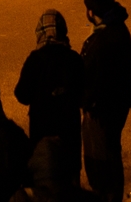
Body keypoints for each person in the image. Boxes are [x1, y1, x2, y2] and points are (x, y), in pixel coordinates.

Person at [81, 0, 131, 202]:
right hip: (115, 103)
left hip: (103, 108)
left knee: (102, 157)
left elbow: (96, 77)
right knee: (108, 153)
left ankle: (107, 195)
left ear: (91, 12)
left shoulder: (106, 38)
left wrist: (88, 101)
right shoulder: (115, 29)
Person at [14, 10, 85, 174]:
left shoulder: (36, 59)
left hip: (42, 131)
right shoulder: (73, 58)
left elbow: (22, 94)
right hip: (69, 130)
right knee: (69, 178)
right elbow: (83, 93)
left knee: (46, 176)